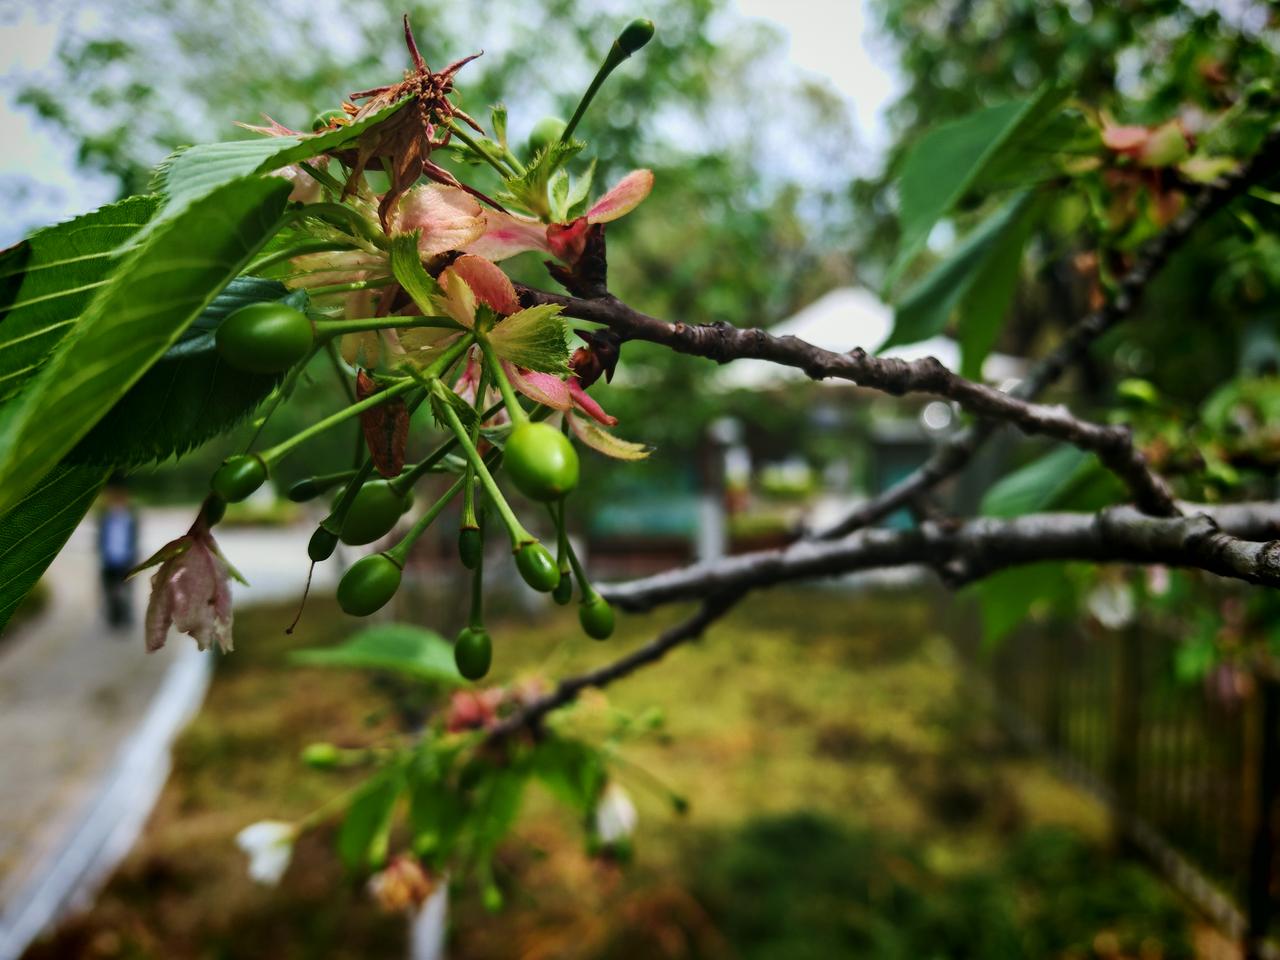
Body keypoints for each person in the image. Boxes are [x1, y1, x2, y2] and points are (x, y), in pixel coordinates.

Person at [98, 478, 139, 629]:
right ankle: (113, 618)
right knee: (110, 592)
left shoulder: (130, 517)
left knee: (126, 592)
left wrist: (132, 556)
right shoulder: (105, 516)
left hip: (126, 560)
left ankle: (126, 618)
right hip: (109, 559)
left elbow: (134, 538)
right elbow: (101, 537)